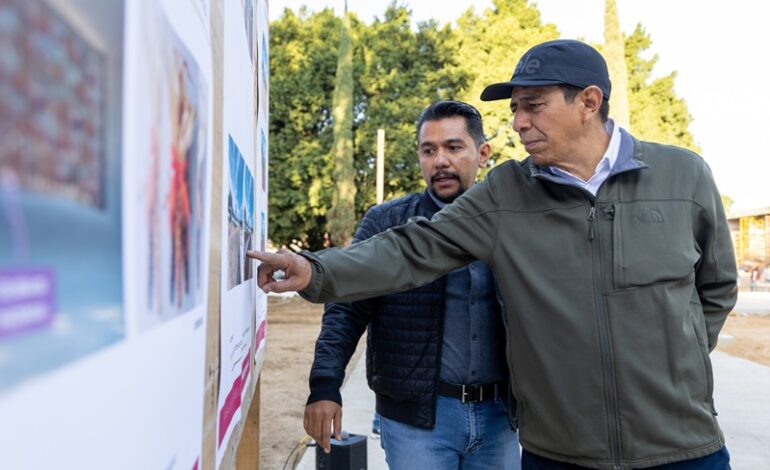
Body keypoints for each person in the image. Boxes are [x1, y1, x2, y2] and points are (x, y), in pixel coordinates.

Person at [249, 40, 737, 469]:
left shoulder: (684, 176)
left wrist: (678, 363)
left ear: (589, 101)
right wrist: (315, 269)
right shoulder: (507, 191)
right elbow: (412, 248)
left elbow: (716, 288)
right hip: (560, 454)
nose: (518, 122)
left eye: (533, 106)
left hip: (683, 449)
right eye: (515, 109)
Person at [304, 101, 520, 469]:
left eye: (453, 147)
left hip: (499, 417)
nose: (440, 161)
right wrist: (325, 385)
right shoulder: (387, 221)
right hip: (417, 422)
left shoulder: (512, 223)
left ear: (482, 153)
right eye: (428, 150)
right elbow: (346, 308)